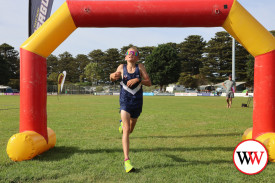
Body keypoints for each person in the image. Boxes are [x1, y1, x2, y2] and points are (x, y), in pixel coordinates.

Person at [110, 46, 151, 173]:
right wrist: (113, 76)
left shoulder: (140, 67)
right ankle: (127, 161)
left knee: (130, 129)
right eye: (128, 53)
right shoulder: (121, 67)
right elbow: (112, 77)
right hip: (125, 101)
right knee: (127, 130)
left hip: (137, 102)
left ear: (137, 57)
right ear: (125, 56)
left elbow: (149, 82)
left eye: (134, 53)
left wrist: (138, 79)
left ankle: (122, 124)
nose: (130, 54)